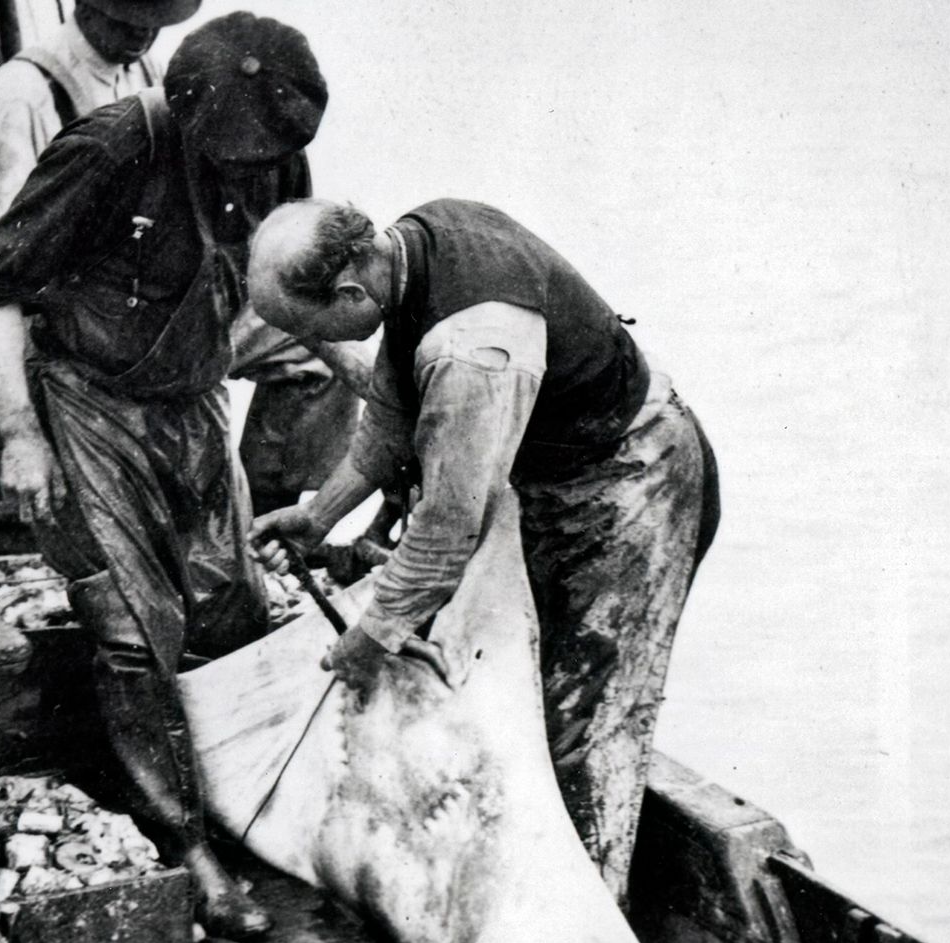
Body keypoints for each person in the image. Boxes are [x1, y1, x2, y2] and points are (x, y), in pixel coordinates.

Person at [0, 13, 328, 940]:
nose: (251, 173)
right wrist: (18, 433)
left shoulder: (279, 150)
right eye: (233, 157)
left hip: (192, 399)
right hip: (87, 400)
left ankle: (246, 803)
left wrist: (381, 401)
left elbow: (290, 282)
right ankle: (186, 845)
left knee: (230, 604)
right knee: (131, 627)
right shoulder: (106, 148)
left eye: (267, 159)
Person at [246, 198, 720, 897]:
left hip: (633, 481)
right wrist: (319, 516)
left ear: (349, 292)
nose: (299, 341)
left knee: (586, 718)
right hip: (555, 472)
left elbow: (447, 525)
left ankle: (581, 922)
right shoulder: (409, 245)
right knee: (528, 688)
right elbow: (391, 412)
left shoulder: (473, 347)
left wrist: (374, 632)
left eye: (302, 327)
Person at [0, 0, 198, 251]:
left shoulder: (148, 71)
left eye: (156, 16)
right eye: (127, 17)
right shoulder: (20, 94)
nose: (144, 30)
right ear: (85, 8)